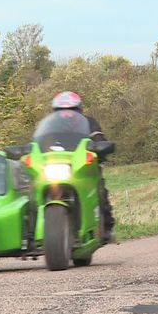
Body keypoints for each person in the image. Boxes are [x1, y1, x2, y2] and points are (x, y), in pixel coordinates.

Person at [51, 91, 115, 242]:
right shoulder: (51, 127)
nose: (66, 114)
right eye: (61, 111)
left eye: (71, 110)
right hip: (56, 167)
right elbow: (41, 143)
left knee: (99, 188)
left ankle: (106, 226)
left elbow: (99, 138)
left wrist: (99, 146)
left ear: (79, 110)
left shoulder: (89, 123)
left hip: (82, 167)